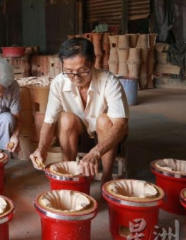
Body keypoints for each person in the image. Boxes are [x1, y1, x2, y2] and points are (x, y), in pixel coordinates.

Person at [29, 37, 129, 185]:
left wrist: (95, 153)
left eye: (82, 71)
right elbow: (49, 122)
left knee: (104, 120)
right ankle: (69, 172)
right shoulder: (59, 83)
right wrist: (42, 148)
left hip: (106, 141)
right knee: (65, 119)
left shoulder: (109, 81)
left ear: (93, 62)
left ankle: (106, 177)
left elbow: (121, 125)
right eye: (69, 71)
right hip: (80, 138)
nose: (76, 77)